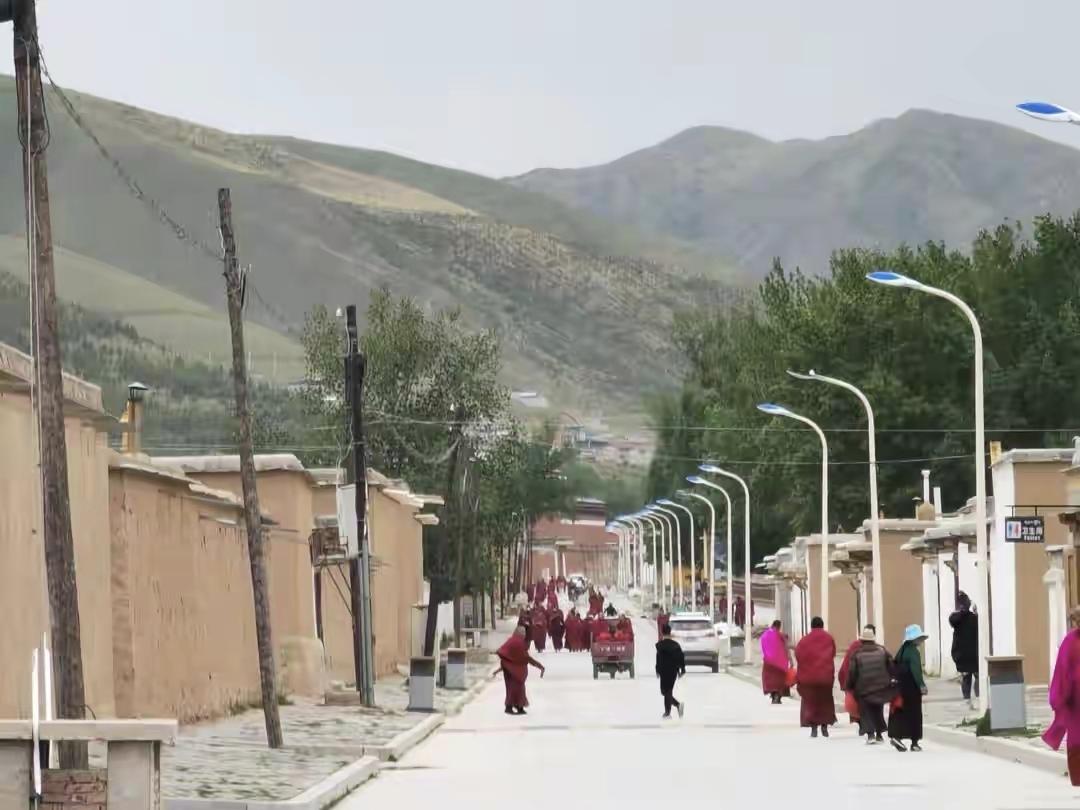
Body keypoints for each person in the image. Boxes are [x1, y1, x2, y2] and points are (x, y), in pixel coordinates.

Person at [1045, 607, 1080, 785]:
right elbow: (1063, 673)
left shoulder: (1071, 641)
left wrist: (1058, 699)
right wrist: (1059, 698)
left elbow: (1062, 675)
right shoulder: (1070, 641)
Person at [847, 625, 895, 745]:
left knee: (866, 711)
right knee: (877, 710)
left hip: (863, 688)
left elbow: (852, 672)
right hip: (881, 687)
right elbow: (892, 666)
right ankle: (879, 734)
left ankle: (870, 735)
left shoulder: (856, 654)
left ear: (862, 640)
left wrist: (850, 686)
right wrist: (891, 680)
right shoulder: (882, 651)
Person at [794, 616, 837, 738]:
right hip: (825, 676)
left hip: (808, 678)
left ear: (811, 626)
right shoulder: (829, 638)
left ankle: (813, 728)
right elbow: (833, 654)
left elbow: (798, 655)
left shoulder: (804, 640)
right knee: (825, 702)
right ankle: (824, 726)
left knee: (811, 702)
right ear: (822, 625)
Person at [888, 624, 928, 752]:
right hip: (911, 687)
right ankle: (914, 743)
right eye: (919, 638)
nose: (921, 641)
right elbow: (916, 670)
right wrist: (921, 685)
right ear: (914, 639)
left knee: (900, 712)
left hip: (900, 686)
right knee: (914, 713)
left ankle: (897, 736)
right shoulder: (913, 652)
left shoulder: (902, 650)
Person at [497, 627, 545, 715]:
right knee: (518, 689)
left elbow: (502, 652)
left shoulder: (511, 640)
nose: (524, 635)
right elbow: (525, 657)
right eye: (523, 633)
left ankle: (514, 707)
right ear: (520, 633)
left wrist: (502, 667)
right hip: (515, 671)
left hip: (509, 669)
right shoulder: (519, 642)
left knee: (511, 689)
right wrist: (539, 666)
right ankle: (515, 707)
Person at [838, 625, 874, 725]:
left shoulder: (855, 645)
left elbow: (846, 664)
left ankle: (860, 722)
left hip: (852, 679)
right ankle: (864, 724)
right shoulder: (875, 649)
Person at [949, 591, 979, 705]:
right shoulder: (957, 618)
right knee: (969, 677)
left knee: (973, 676)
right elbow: (953, 620)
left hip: (969, 653)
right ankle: (971, 699)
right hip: (967, 654)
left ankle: (974, 699)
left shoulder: (970, 618)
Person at [656, 623, 686, 719]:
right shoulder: (676, 645)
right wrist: (682, 669)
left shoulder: (660, 646)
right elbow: (681, 657)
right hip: (673, 670)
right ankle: (677, 705)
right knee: (666, 691)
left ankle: (667, 713)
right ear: (670, 632)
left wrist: (657, 669)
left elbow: (658, 659)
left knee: (667, 691)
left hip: (664, 670)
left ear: (662, 632)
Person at [760, 620, 791, 704]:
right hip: (780, 663)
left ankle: (774, 695)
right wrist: (790, 659)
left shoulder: (765, 635)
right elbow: (786, 647)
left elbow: (762, 647)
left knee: (771, 681)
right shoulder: (779, 635)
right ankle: (778, 696)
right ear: (778, 627)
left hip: (768, 662)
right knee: (779, 681)